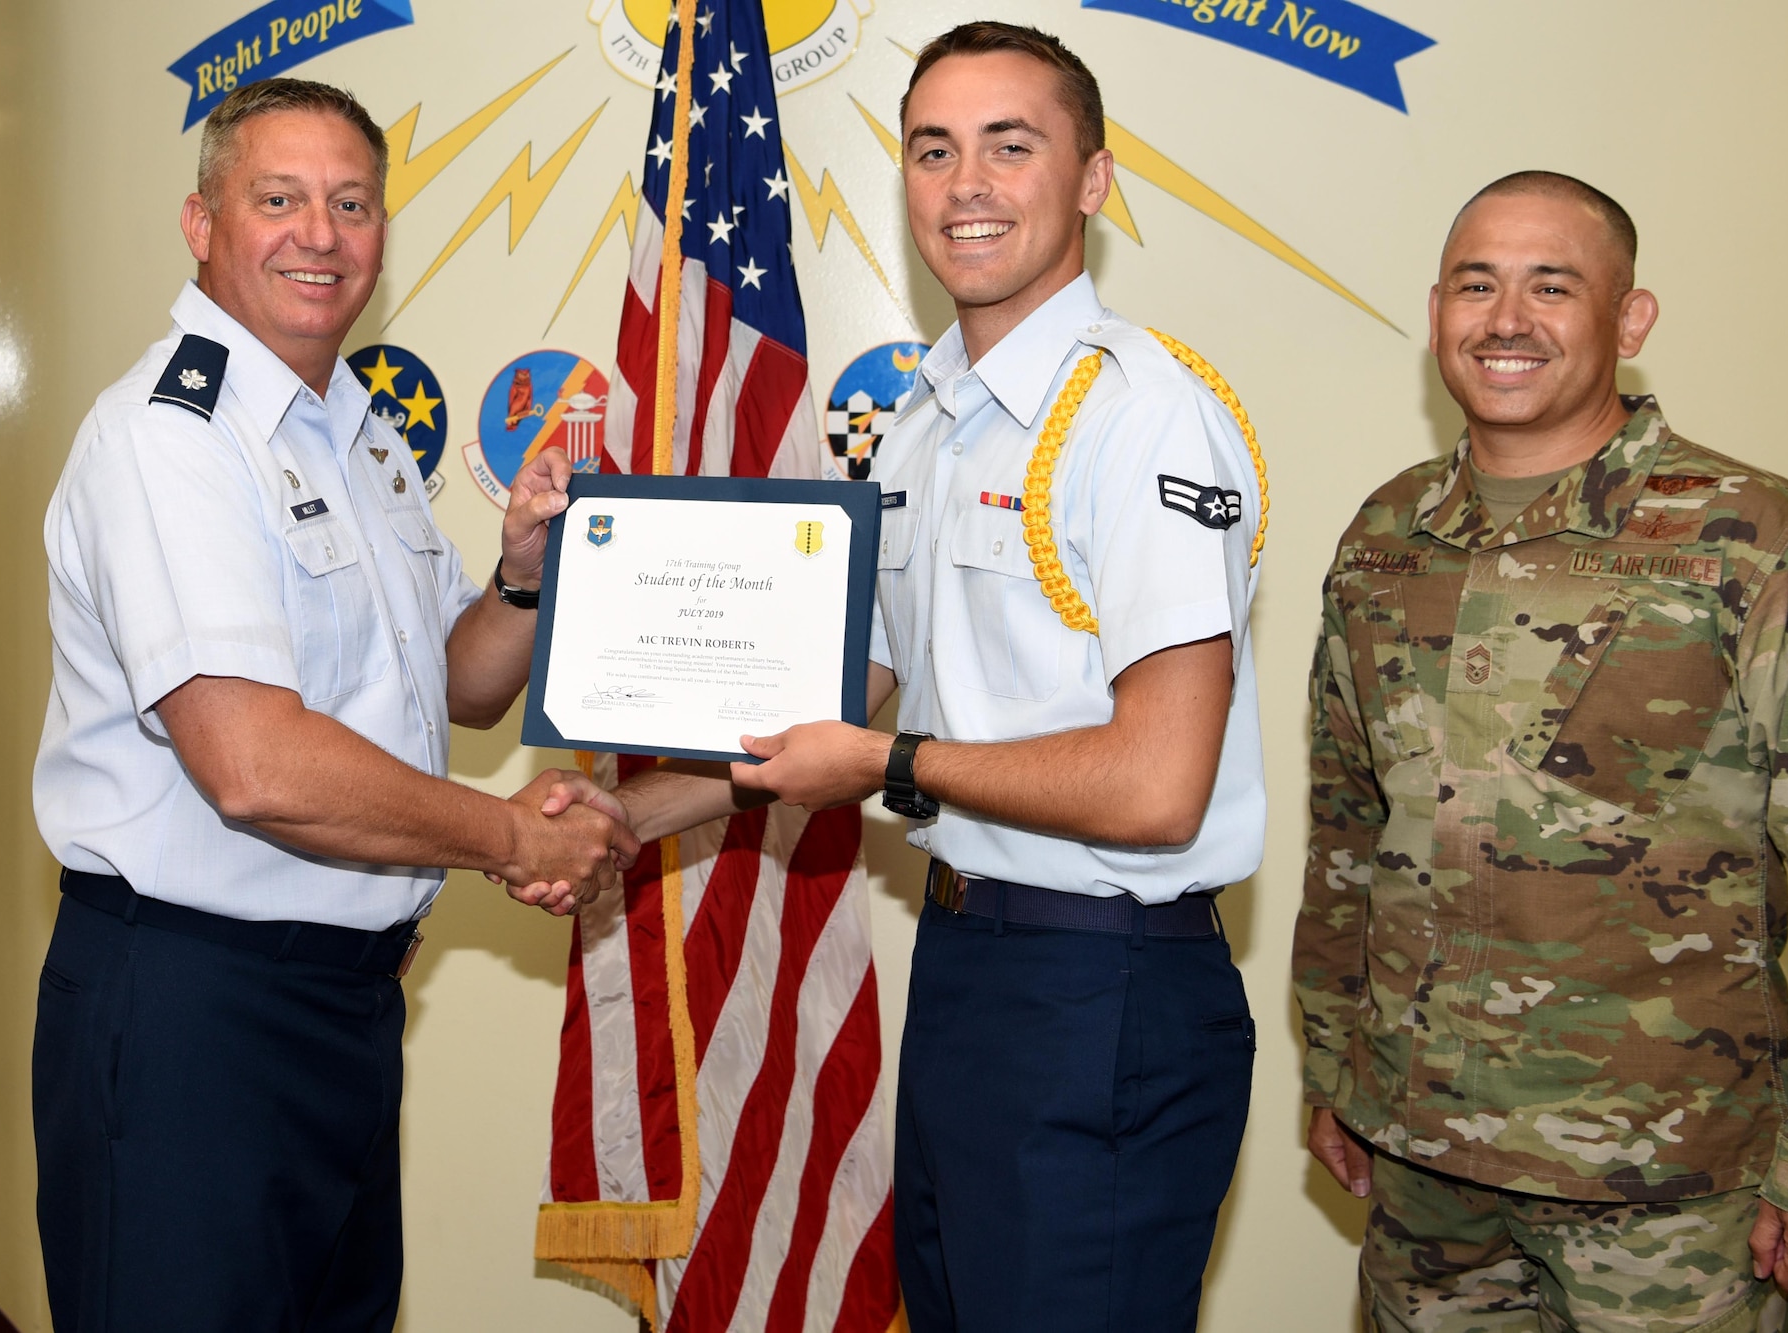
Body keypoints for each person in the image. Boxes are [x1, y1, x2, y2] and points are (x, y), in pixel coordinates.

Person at [537, 21, 1266, 1331]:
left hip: (1103, 989)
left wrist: (880, 769)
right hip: (975, 963)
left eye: (1011, 144)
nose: (966, 182)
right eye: (934, 150)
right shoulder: (928, 420)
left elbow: (1160, 783)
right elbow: (851, 684)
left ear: (1092, 183)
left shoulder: (1136, 415)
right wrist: (628, 818)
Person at [1295, 170, 1788, 1331]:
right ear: (1437, 309)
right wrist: (1335, 1069)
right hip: (1425, 1175)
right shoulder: (1382, 539)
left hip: (1670, 1190)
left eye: (1549, 285)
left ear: (1628, 318)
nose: (1504, 319)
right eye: (1476, 285)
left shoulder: (1756, 538)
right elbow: (1348, 825)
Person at [30, 78, 638, 1331]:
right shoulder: (173, 437)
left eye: (351, 203)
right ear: (201, 225)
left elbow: (450, 693)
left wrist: (522, 578)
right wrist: (516, 839)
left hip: (342, 1009)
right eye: (279, 199)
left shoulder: (349, 430)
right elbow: (254, 764)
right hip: (195, 1012)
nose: (321, 232)